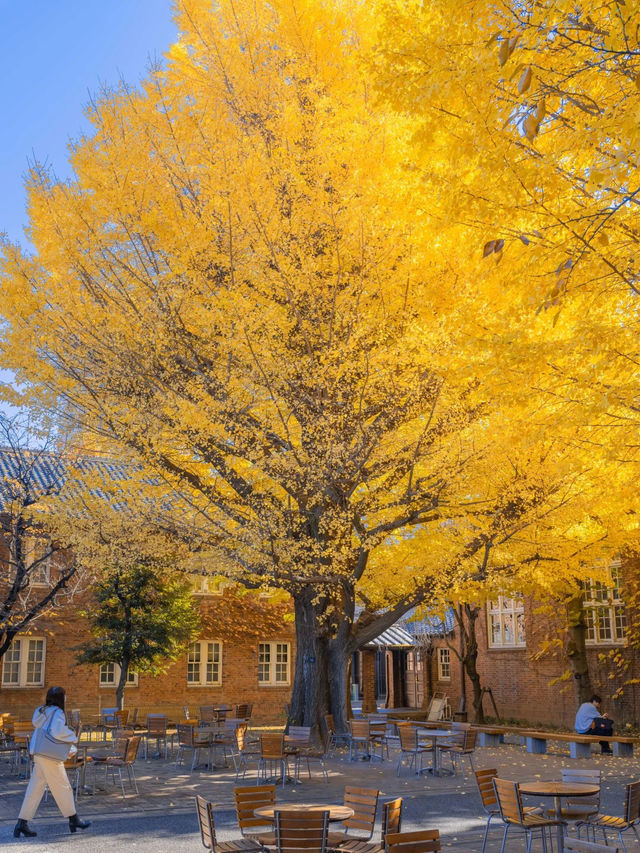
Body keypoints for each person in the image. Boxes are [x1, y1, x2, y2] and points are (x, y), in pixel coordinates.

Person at [14, 686, 91, 838]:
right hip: (49, 756)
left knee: (35, 789)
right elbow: (57, 731)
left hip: (39, 752)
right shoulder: (57, 712)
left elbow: (42, 727)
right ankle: (73, 819)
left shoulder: (41, 711)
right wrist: (72, 736)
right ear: (61, 698)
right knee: (63, 787)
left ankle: (21, 823)